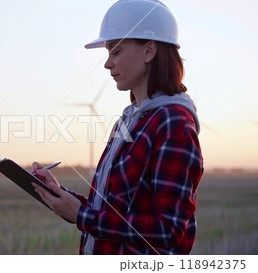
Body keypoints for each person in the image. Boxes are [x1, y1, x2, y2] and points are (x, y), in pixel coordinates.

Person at [31, 0, 203, 255]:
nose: (107, 63)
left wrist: (81, 215)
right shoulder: (127, 121)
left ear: (149, 51)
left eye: (116, 51)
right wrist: (59, 194)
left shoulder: (173, 123)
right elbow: (112, 210)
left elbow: (167, 231)